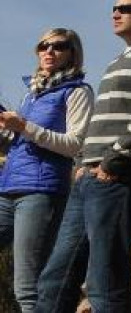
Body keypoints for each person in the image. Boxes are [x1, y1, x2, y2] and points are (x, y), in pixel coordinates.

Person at [35, 0, 131, 313]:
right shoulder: (119, 60)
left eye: (126, 8)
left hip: (121, 177)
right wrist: (82, 163)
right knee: (54, 281)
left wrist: (112, 161)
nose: (116, 14)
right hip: (90, 178)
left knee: (105, 282)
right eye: (114, 8)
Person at [0, 29, 93, 313]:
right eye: (43, 46)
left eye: (58, 46)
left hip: (41, 192)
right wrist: (8, 131)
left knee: (27, 288)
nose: (49, 51)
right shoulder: (33, 93)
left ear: (72, 53)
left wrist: (25, 127)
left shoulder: (78, 91)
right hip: (7, 188)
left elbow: (75, 145)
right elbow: (20, 140)